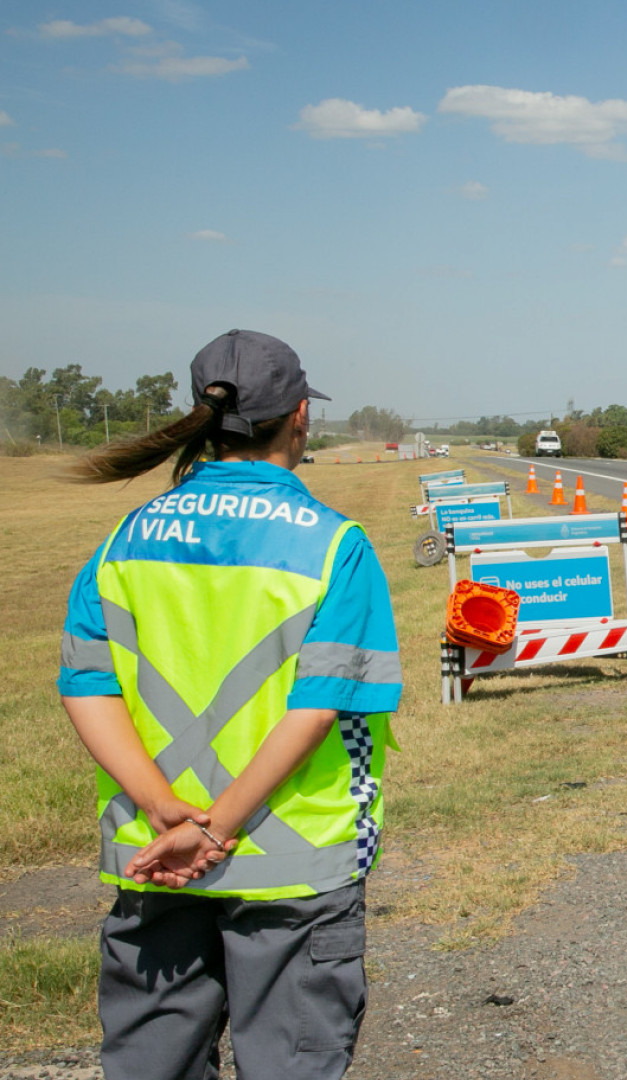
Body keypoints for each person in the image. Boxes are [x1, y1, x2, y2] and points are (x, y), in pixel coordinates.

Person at [58, 330, 401, 1080]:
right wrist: (217, 828)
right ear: (300, 416)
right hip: (292, 867)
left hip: (153, 859)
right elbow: (317, 710)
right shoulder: (334, 545)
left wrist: (165, 813)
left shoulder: (122, 540)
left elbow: (87, 687)